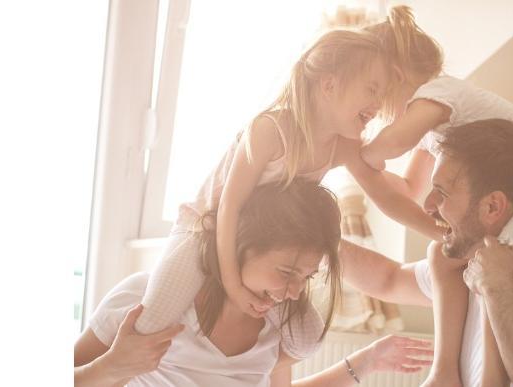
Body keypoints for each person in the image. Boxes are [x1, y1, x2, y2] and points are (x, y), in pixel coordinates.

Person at [134, 26, 446, 361]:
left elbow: (391, 199)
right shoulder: (270, 130)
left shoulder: (343, 145)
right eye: (372, 90)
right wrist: (233, 285)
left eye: (382, 94)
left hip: (263, 247)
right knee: (152, 321)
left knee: (307, 341)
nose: (378, 104)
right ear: (329, 85)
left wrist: (447, 235)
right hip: (206, 228)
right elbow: (228, 208)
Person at [340, 6, 513, 386]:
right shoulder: (435, 132)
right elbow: (409, 196)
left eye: (375, 96)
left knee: (493, 264)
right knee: (442, 256)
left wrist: (359, 151)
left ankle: (490, 379)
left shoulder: (440, 91)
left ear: (395, 77)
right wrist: (354, 167)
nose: (377, 111)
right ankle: (444, 371)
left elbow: (393, 143)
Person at [75, 180, 434, 386]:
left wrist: (368, 360)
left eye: (307, 277)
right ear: (239, 247)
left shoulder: (279, 325)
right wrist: (111, 367)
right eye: (285, 272)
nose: (294, 292)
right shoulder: (145, 302)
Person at [342, 119, 513, 387]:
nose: (428, 205)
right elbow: (388, 279)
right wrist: (318, 241)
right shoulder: (458, 273)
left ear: (491, 207)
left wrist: (498, 286)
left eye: (440, 192)